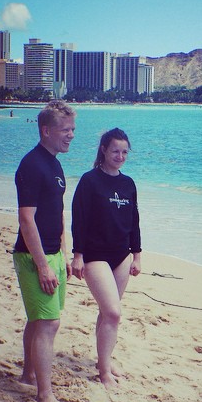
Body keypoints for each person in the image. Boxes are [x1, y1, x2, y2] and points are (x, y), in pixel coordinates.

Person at [13, 100, 76, 402]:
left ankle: (28, 375)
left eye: (73, 130)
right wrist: (42, 266)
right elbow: (27, 220)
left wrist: (64, 253)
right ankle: (45, 396)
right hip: (34, 256)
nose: (71, 136)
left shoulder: (55, 163)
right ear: (46, 130)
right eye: (66, 130)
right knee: (49, 323)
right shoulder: (32, 165)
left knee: (40, 320)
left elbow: (57, 212)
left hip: (54, 253)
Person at [71, 128, 142, 388]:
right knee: (113, 312)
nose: (120, 156)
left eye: (124, 152)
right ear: (103, 149)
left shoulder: (128, 183)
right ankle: (104, 373)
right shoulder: (90, 181)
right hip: (95, 255)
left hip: (121, 255)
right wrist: (77, 255)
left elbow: (134, 221)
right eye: (115, 151)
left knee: (106, 313)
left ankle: (105, 360)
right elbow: (79, 220)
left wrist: (137, 256)